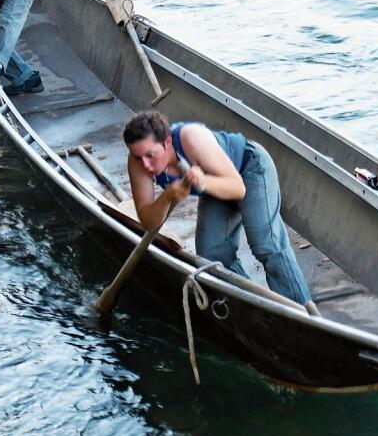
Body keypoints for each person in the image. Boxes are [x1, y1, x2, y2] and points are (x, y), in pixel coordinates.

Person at [123, 110, 312, 306]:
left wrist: (203, 181)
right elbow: (148, 221)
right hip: (213, 188)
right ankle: (254, 307)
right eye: (137, 157)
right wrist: (168, 196)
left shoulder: (191, 137)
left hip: (250, 168)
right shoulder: (137, 162)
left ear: (167, 142)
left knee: (266, 243)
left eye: (150, 155)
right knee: (212, 257)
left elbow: (238, 188)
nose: (145, 164)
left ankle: (302, 310)